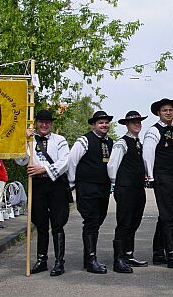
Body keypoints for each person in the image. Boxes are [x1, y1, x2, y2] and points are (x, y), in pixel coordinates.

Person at [18, 109, 70, 276]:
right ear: (36, 123)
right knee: (40, 224)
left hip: (56, 185)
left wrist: (44, 169)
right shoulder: (30, 141)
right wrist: (23, 141)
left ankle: (59, 262)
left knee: (57, 224)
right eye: (41, 121)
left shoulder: (60, 140)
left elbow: (65, 162)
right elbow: (20, 160)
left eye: (47, 122)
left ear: (51, 124)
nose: (44, 124)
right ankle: (41, 260)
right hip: (37, 186)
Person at [143, 98, 173, 270]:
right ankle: (171, 255)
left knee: (165, 216)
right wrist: (150, 177)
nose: (168, 112)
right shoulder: (153, 131)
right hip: (162, 177)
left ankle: (158, 253)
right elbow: (148, 153)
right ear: (158, 113)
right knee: (168, 217)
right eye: (165, 110)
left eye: (170, 110)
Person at [68, 111, 114, 274]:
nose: (104, 125)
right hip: (87, 187)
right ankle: (91, 260)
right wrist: (72, 183)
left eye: (106, 122)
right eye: (101, 122)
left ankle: (88, 258)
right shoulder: (84, 140)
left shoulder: (110, 142)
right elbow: (72, 161)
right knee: (92, 221)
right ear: (94, 124)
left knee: (98, 220)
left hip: (103, 188)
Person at [107, 111, 148, 274]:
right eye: (133, 122)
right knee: (124, 223)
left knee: (134, 222)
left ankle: (128, 255)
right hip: (125, 188)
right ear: (127, 125)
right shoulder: (121, 143)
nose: (137, 124)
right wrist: (116, 185)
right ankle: (118, 260)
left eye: (138, 122)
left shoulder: (138, 143)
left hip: (138, 188)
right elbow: (112, 165)